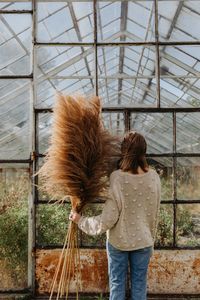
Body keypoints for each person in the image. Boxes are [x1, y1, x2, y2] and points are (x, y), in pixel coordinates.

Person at [69, 131, 161, 300]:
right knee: (140, 287)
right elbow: (154, 213)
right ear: (144, 151)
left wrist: (80, 220)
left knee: (117, 286)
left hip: (118, 243)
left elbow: (108, 220)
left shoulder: (117, 178)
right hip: (144, 241)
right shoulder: (154, 177)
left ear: (124, 151)